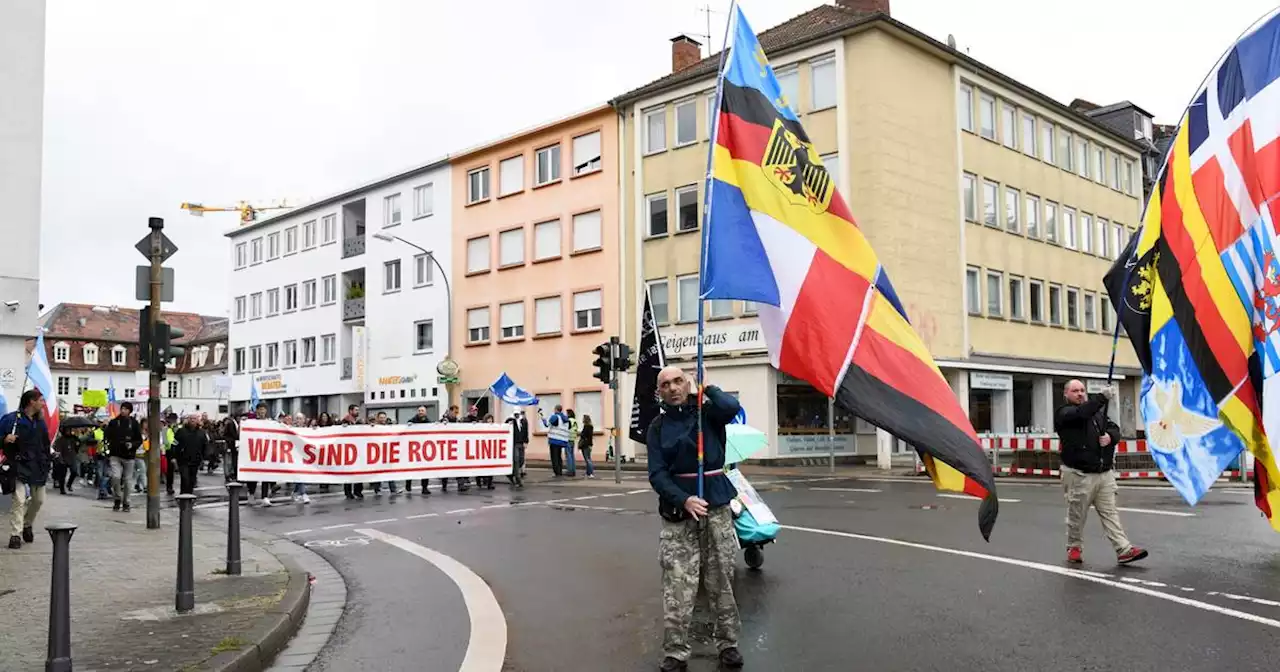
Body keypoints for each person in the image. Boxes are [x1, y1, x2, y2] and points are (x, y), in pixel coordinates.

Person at [647, 366, 744, 671]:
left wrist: (708, 387)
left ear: (687, 383)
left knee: (721, 580)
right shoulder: (658, 427)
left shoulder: (707, 414)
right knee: (677, 585)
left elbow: (732, 407)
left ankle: (728, 643)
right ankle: (676, 651)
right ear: (659, 392)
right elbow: (657, 474)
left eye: (678, 381)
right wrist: (683, 499)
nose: (673, 388)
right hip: (679, 512)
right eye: (665, 384)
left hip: (714, 506)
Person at [1055, 380, 1148, 565]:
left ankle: (1123, 549)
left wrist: (1110, 437)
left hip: (1104, 474)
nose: (1080, 393)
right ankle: (1074, 547)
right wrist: (1101, 398)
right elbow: (1082, 413)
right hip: (1079, 474)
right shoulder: (1065, 413)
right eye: (1075, 391)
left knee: (1110, 513)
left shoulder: (1097, 414)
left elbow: (1114, 428)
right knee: (1077, 514)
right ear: (1066, 394)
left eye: (1082, 390)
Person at [1, 390, 52, 549]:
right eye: (40, 400)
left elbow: (45, 445)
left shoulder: (40, 423)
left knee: (38, 500)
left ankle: (27, 523)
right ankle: (15, 534)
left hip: (38, 466)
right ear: (31, 401)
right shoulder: (11, 420)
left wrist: (48, 459)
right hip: (19, 465)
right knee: (20, 500)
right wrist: (4, 439)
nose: (43, 403)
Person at [105, 401, 143, 512]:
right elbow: (107, 435)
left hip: (129, 455)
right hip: (115, 454)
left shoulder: (134, 423)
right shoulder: (114, 422)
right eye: (122, 408)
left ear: (130, 411)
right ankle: (117, 498)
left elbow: (139, 440)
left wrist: (132, 445)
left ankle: (126, 502)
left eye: (126, 409)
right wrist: (107, 428)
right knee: (115, 477)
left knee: (127, 481)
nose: (123, 411)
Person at [172, 414, 208, 495]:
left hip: (195, 460)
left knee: (192, 480)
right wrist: (173, 456)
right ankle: (183, 496)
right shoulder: (181, 431)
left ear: (197, 420)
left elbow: (205, 446)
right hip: (183, 460)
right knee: (185, 479)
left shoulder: (201, 433)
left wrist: (203, 458)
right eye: (191, 418)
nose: (192, 420)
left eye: (194, 419)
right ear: (188, 420)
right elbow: (174, 444)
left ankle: (189, 497)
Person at [406, 406, 432, 494]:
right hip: (414, 447)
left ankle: (424, 487)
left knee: (425, 469)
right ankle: (408, 483)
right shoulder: (413, 420)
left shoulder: (428, 422)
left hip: (424, 448)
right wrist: (409, 424)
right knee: (411, 467)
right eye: (419, 410)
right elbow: (408, 423)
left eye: (422, 411)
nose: (420, 412)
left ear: (425, 412)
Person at [540, 404, 569, 477]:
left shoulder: (555, 417)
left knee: (554, 457)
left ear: (556, 409)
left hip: (554, 440)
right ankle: (559, 471)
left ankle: (556, 472)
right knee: (559, 456)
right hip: (562, 440)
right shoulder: (565, 418)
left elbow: (547, 424)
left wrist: (542, 417)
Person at [52, 426, 80, 495]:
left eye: (69, 430)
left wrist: (77, 444)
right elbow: (58, 450)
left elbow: (77, 447)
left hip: (72, 457)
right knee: (62, 475)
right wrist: (60, 459)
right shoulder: (60, 440)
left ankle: (69, 484)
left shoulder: (74, 438)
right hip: (63, 458)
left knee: (74, 471)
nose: (68, 432)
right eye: (67, 430)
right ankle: (62, 489)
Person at [506, 412, 527, 488]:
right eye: (516, 414)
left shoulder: (523, 421)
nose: (517, 415)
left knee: (521, 460)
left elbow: (525, 431)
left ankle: (510, 474)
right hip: (514, 443)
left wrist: (526, 441)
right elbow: (506, 425)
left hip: (521, 443)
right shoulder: (511, 420)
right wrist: (509, 422)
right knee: (516, 460)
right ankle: (518, 479)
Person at [578, 414, 596, 479]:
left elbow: (584, 435)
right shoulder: (591, 426)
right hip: (589, 444)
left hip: (585, 445)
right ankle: (588, 472)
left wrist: (581, 434)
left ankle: (590, 473)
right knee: (588, 459)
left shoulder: (586, 427)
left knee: (587, 459)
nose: (582, 420)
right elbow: (590, 437)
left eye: (583, 419)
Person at [564, 409, 579, 477]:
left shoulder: (569, 420)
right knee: (572, 456)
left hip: (568, 438)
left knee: (568, 456)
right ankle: (573, 471)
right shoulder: (575, 420)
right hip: (573, 439)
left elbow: (566, 428)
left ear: (569, 414)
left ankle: (569, 471)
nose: (566, 415)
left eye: (567, 414)